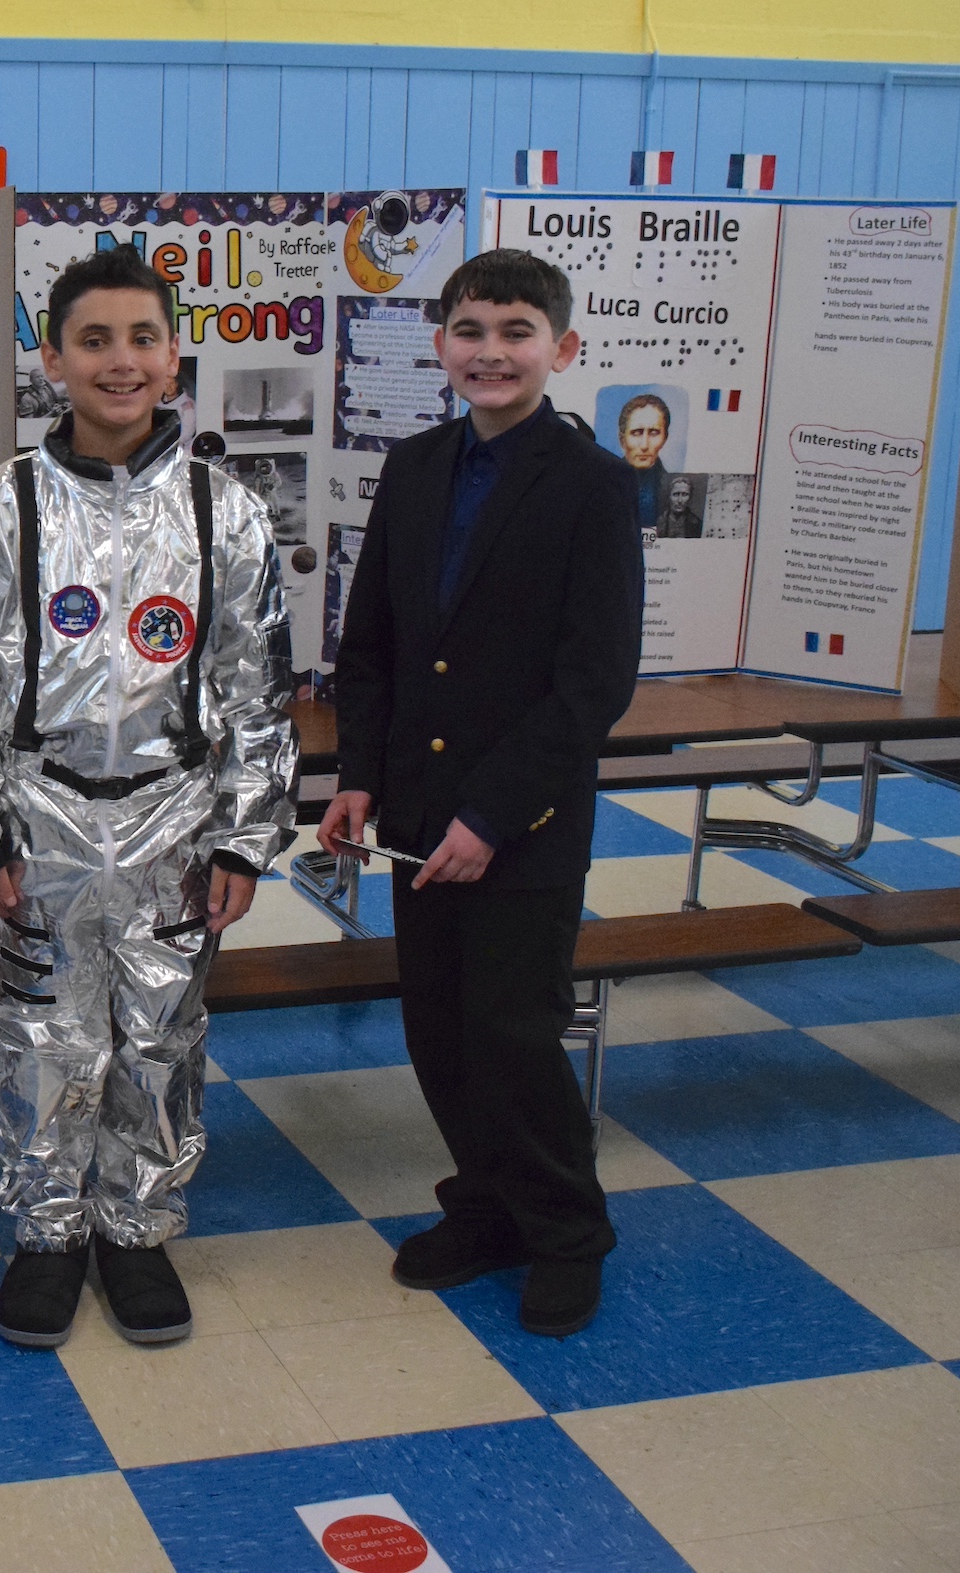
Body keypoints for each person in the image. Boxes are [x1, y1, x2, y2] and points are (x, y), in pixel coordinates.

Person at [0, 245, 298, 1349]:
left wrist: (244, 838)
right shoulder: (1, 508)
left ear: (174, 359)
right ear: (52, 360)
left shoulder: (228, 514)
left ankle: (136, 1226)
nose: (119, 362)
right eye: (93, 341)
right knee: (43, 1034)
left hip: (176, 817)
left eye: (141, 339)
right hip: (41, 815)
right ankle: (48, 1231)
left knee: (163, 1033)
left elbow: (256, 689)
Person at [321, 249, 642, 1339]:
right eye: (470, 330)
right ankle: (490, 1207)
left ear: (563, 348)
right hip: (418, 811)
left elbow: (593, 683)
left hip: (523, 822)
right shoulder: (413, 468)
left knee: (513, 1032)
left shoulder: (594, 486)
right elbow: (371, 646)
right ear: (440, 344)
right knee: (441, 1032)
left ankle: (568, 1230)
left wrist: (494, 813)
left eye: (515, 332)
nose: (490, 352)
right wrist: (359, 775)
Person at [616, 393, 672, 532]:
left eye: (653, 433)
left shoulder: (672, 490)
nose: (644, 445)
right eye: (637, 433)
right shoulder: (603, 486)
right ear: (622, 439)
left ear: (664, 438)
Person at [654, 473, 704, 540]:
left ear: (690, 497)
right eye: (676, 494)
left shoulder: (697, 525)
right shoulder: (658, 522)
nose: (680, 500)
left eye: (684, 494)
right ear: (669, 496)